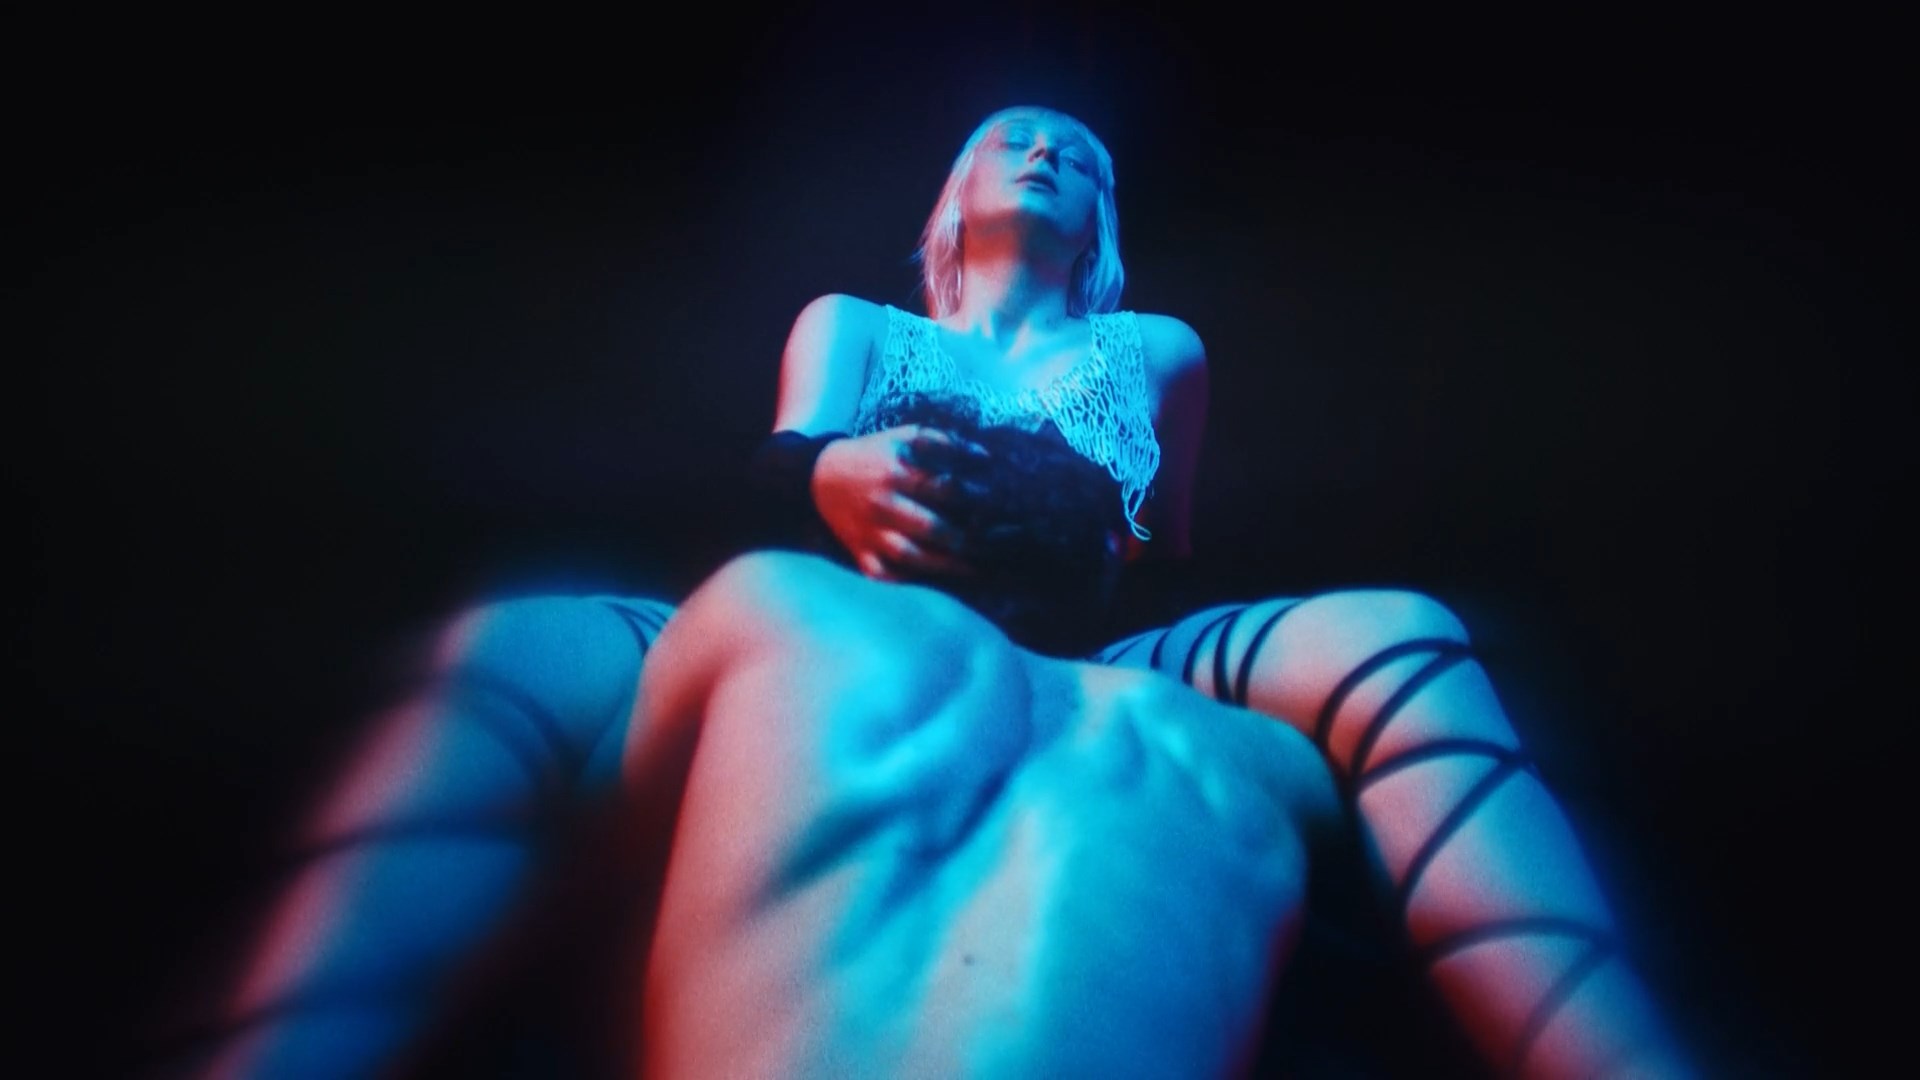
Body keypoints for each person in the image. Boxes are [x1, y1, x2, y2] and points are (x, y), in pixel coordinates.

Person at [164, 106, 1694, 1078]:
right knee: (537, 641)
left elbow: (1163, 545)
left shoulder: (1151, 352)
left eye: (1080, 154)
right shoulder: (858, 324)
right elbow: (788, 464)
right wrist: (832, 475)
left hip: (1101, 629)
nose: (1048, 155)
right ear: (950, 198)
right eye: (1011, 142)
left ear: (1106, 219)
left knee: (1400, 637)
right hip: (865, 583)